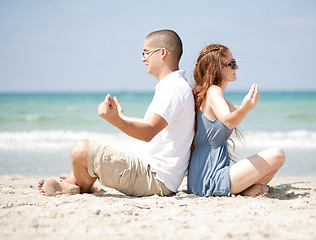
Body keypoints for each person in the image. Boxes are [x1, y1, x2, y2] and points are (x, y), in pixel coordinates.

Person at [38, 29, 195, 197]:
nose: (143, 58)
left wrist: (114, 120)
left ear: (162, 53)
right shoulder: (173, 86)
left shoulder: (173, 89)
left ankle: (78, 185)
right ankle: (74, 180)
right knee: (91, 140)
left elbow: (148, 132)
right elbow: (154, 125)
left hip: (155, 179)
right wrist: (121, 116)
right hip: (153, 169)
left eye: (146, 52)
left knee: (80, 150)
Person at [187, 44, 285, 197]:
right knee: (277, 155)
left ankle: (244, 190)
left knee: (274, 162)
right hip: (210, 178)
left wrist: (246, 107)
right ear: (217, 67)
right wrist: (246, 108)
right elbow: (229, 121)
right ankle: (243, 191)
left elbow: (234, 113)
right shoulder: (213, 91)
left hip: (202, 178)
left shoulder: (214, 96)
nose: (236, 67)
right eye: (232, 64)